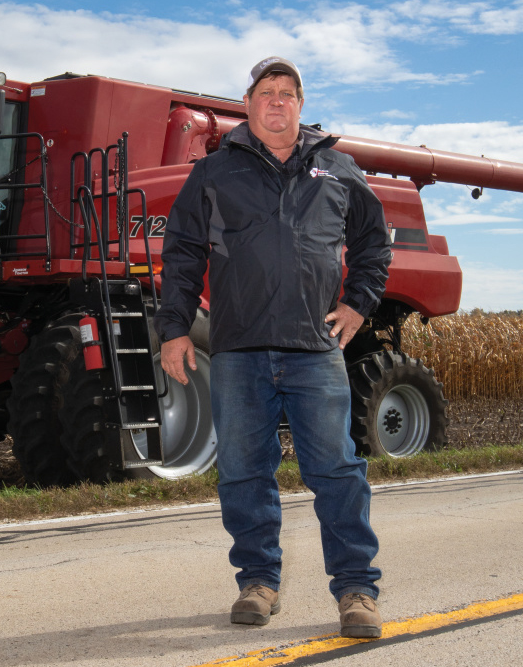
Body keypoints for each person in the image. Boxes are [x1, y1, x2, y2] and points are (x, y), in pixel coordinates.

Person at [153, 56, 391, 638]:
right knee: (241, 472)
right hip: (239, 351)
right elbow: (182, 254)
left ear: (301, 105)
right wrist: (175, 330)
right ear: (250, 102)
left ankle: (357, 591)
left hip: (315, 349)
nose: (277, 101)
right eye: (267, 91)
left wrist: (358, 304)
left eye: (288, 92)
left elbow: (373, 244)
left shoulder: (339, 170)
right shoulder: (214, 172)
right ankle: (258, 583)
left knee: (336, 470)